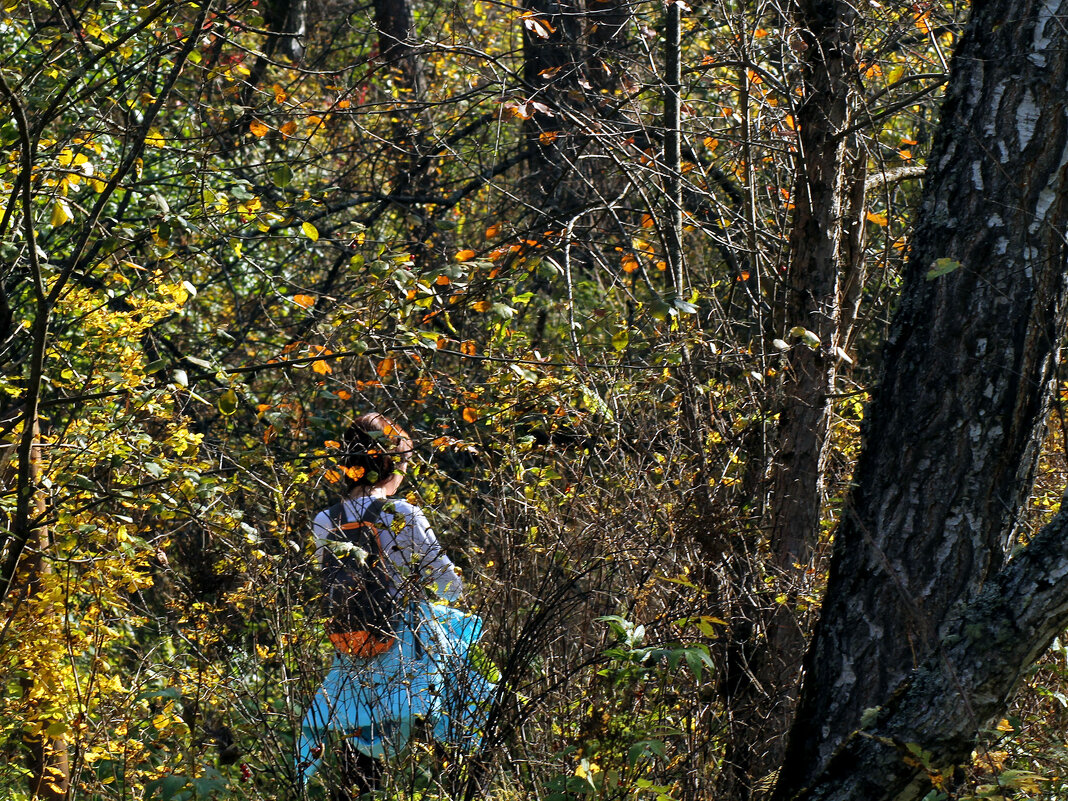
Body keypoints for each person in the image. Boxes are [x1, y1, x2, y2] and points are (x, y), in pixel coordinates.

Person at [297, 413, 492, 798]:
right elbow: (448, 585)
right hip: (406, 646)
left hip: (353, 647)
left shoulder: (325, 520)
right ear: (389, 464)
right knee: (451, 723)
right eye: (402, 462)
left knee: (360, 752)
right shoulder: (401, 513)